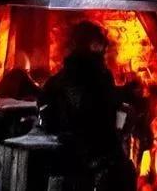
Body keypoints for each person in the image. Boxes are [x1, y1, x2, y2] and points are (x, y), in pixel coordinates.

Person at [40, 20, 137, 191]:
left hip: (73, 155)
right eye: (99, 42)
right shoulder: (96, 75)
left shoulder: (61, 79)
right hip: (97, 154)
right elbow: (101, 105)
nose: (104, 46)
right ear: (92, 44)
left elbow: (47, 109)